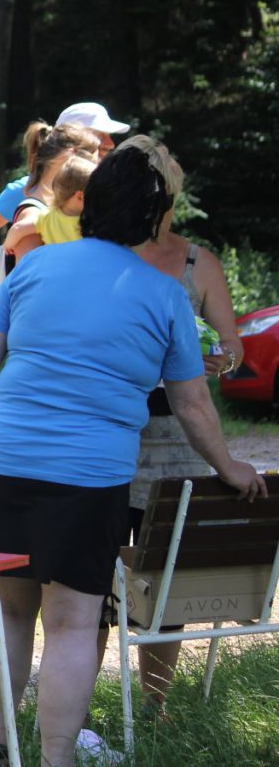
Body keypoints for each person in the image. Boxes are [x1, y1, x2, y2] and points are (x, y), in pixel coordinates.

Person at [0, 137, 266, 767]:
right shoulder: (164, 295)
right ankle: (55, 764)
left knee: (10, 610)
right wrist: (230, 468)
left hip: (2, 460)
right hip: (87, 477)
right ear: (153, 215)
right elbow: (192, 405)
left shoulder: (34, 266)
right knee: (70, 621)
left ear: (88, 206)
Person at [116, 136, 246, 714]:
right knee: (102, 577)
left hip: (181, 439)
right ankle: (90, 705)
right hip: (115, 433)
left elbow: (232, 343)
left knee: (164, 575)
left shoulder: (199, 263)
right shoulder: (108, 256)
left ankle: (154, 706)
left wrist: (222, 357)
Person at [0, 102, 128, 241]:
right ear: (72, 145)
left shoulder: (103, 189)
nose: (111, 143)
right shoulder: (26, 190)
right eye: (100, 135)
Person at [2, 155, 97, 257]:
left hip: (54, 265)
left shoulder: (46, 218)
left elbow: (18, 228)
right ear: (80, 196)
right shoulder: (91, 222)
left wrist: (7, 247)